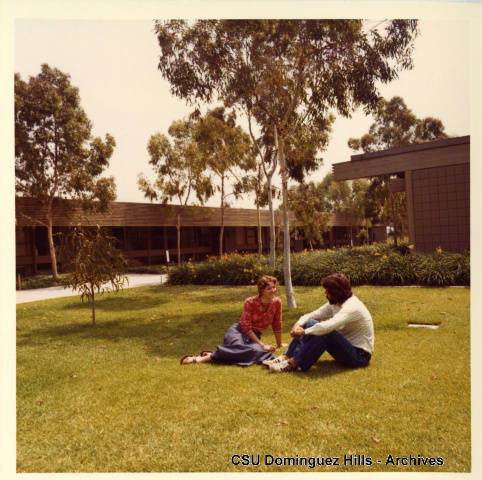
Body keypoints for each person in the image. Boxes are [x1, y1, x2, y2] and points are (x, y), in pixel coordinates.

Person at [265, 273, 374, 373]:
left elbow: (328, 326)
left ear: (336, 292)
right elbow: (311, 315)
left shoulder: (352, 307)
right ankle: (285, 357)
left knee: (326, 332)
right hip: (346, 348)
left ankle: (292, 364)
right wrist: (298, 325)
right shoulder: (336, 302)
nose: (325, 293)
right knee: (311, 322)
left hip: (359, 356)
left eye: (327, 290)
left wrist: (304, 332)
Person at [180, 275, 284, 366]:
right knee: (247, 349)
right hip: (239, 332)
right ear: (261, 290)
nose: (273, 290)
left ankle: (214, 355)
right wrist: (262, 345)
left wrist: (279, 344)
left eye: (274, 287)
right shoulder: (250, 302)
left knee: (253, 351)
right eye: (269, 288)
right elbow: (246, 327)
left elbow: (277, 323)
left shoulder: (277, 302)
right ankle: (200, 359)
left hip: (254, 337)